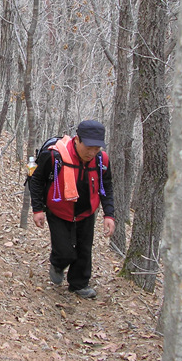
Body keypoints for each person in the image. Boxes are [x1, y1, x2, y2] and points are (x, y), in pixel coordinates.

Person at [28, 120, 115, 299]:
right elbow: (36, 179)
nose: (92, 152)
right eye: (89, 147)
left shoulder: (102, 160)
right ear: (77, 140)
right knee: (64, 251)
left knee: (84, 249)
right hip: (58, 210)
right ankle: (58, 263)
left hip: (87, 212)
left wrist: (109, 214)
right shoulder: (54, 156)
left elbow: (106, 186)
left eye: (96, 148)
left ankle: (79, 284)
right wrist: (37, 209)